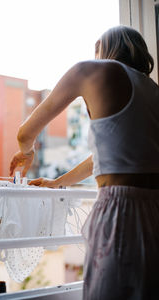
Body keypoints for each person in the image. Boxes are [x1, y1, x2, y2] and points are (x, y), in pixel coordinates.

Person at [10, 25, 159, 299]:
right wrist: (57, 182)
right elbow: (106, 158)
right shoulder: (153, 90)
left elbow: (25, 132)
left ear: (102, 47)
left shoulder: (92, 71)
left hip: (121, 211)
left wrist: (27, 151)